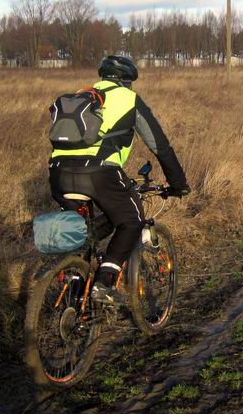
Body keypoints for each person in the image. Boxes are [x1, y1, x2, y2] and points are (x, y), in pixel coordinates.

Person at [48, 55, 190, 305]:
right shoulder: (128, 99)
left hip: (58, 173)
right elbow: (160, 146)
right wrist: (178, 184)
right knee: (131, 221)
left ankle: (75, 282)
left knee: (83, 231)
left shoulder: (83, 95)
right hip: (99, 173)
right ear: (128, 80)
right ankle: (104, 283)